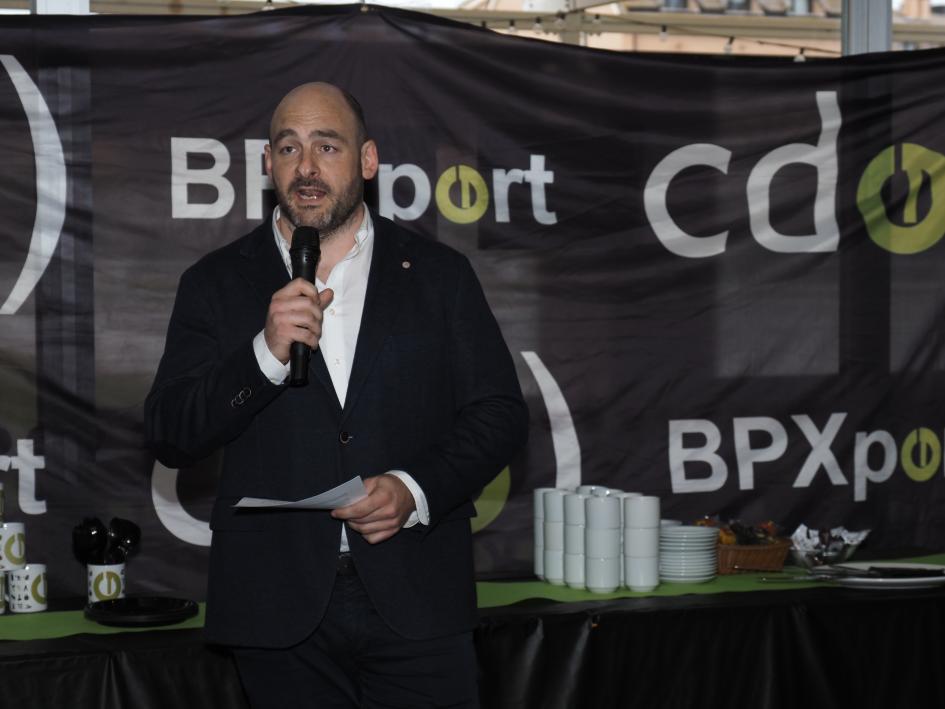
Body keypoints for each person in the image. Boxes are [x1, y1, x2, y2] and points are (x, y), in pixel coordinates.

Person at [144, 83, 528, 708]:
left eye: (327, 146)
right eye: (288, 148)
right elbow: (170, 432)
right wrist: (265, 354)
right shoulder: (214, 282)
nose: (306, 167)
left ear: (367, 160)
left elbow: (500, 414)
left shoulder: (439, 275)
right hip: (276, 609)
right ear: (267, 164)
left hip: (417, 595)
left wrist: (414, 489)